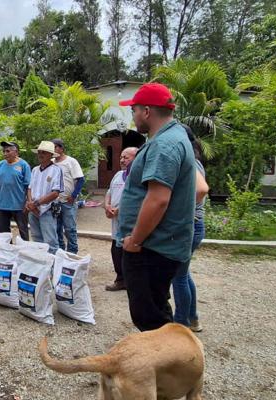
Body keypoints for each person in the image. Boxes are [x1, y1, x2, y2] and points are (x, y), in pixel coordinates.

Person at [117, 83, 197, 332]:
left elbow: (158, 198)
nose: (134, 115)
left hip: (151, 247)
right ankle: (166, 361)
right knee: (156, 309)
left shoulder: (165, 145)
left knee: (149, 317)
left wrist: (135, 240)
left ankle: (166, 365)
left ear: (147, 111)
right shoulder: (169, 138)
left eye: (135, 110)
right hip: (156, 245)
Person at [172, 132, 209, 332]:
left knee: (178, 277)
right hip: (194, 224)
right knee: (183, 274)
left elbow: (202, 190)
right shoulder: (193, 160)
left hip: (190, 224)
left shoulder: (191, 163)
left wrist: (181, 209)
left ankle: (181, 325)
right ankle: (192, 319)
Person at [104, 147, 138, 291]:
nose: (122, 160)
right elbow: (109, 192)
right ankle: (120, 280)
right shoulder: (118, 175)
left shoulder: (138, 177)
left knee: (129, 253)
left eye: (127, 158)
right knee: (116, 252)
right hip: (115, 222)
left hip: (130, 223)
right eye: (121, 157)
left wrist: (120, 210)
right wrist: (107, 206)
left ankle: (132, 283)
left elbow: (138, 199)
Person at [26, 141, 63, 252]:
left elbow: (55, 193)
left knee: (50, 241)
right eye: (39, 152)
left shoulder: (56, 170)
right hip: (34, 209)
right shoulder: (35, 170)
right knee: (36, 239)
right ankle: (40, 265)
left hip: (47, 209)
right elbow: (29, 188)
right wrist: (30, 203)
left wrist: (35, 204)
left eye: (44, 153)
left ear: (51, 155)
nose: (41, 155)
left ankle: (52, 267)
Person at [0, 141, 31, 241]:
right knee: (3, 232)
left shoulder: (23, 165)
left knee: (23, 231)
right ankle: (7, 251)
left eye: (8, 151)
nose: (5, 153)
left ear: (16, 152)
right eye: (4, 151)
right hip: (3, 204)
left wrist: (28, 201)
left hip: (19, 205)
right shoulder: (1, 164)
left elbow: (28, 185)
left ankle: (25, 252)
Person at [52, 139, 84, 254]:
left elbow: (80, 179)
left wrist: (74, 195)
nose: (53, 150)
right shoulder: (51, 162)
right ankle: (60, 252)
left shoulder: (71, 161)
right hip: (55, 202)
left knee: (70, 229)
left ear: (61, 148)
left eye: (55, 147)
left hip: (68, 201)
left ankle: (72, 253)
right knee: (57, 228)